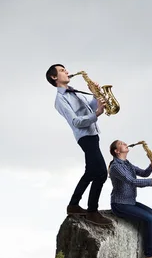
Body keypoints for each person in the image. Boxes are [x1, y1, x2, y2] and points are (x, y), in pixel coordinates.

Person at [46, 63, 112, 226]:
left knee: (90, 172)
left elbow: (89, 108)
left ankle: (73, 205)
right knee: (102, 173)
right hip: (85, 137)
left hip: (93, 133)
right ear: (54, 77)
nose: (67, 71)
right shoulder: (60, 99)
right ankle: (92, 211)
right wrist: (96, 114)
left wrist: (97, 98)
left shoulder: (74, 91)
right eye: (62, 71)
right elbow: (76, 121)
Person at [108, 139, 152, 258]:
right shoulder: (116, 167)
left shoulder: (127, 163)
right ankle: (148, 254)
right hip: (119, 204)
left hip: (130, 202)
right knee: (149, 219)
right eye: (121, 144)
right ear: (117, 151)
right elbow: (131, 181)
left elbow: (143, 173)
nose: (125, 144)